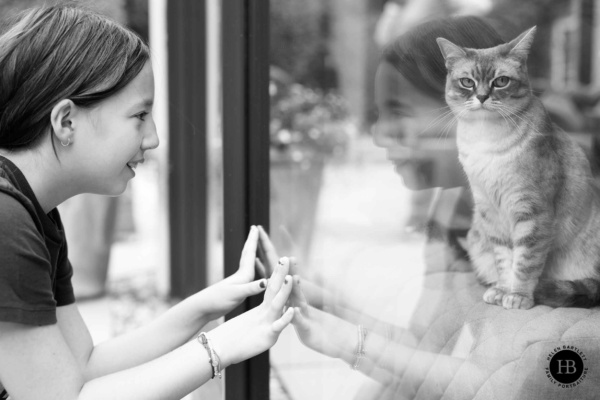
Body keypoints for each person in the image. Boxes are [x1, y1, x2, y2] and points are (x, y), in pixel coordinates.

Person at [0, 4, 294, 399]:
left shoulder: (34, 211)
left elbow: (82, 363)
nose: (153, 138)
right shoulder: (6, 220)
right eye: (140, 115)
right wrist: (224, 346)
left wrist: (203, 309)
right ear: (65, 122)